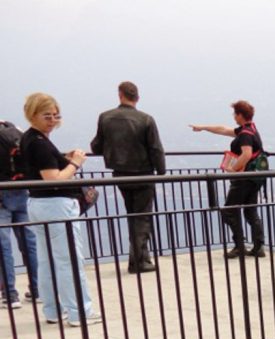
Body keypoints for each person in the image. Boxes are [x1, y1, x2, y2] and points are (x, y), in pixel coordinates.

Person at [21, 93, 100, 326]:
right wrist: (75, 163)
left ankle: (53, 310)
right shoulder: (40, 143)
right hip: (56, 205)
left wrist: (62, 158)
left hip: (37, 204)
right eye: (47, 115)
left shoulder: (29, 139)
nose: (53, 120)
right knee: (69, 260)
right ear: (33, 114)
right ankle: (80, 312)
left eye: (56, 115)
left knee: (47, 260)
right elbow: (53, 179)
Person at [90, 81, 166, 273]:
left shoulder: (105, 117)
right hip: (143, 174)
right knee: (142, 217)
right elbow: (156, 148)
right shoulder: (146, 119)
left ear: (120, 95)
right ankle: (139, 261)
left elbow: (96, 146)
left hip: (120, 175)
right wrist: (162, 172)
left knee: (132, 214)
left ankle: (139, 257)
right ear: (137, 98)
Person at [190, 100, 267, 258]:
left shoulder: (245, 134)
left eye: (235, 113)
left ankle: (239, 245)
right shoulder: (250, 129)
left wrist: (233, 169)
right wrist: (203, 128)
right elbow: (223, 129)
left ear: (240, 115)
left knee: (229, 211)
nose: (233, 116)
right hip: (254, 178)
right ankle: (258, 246)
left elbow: (246, 154)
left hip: (244, 178)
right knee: (250, 210)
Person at [0, 121, 39, 309]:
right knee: (29, 242)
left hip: (1, 194)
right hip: (22, 191)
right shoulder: (15, 131)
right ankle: (38, 289)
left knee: (3, 245)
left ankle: (10, 295)